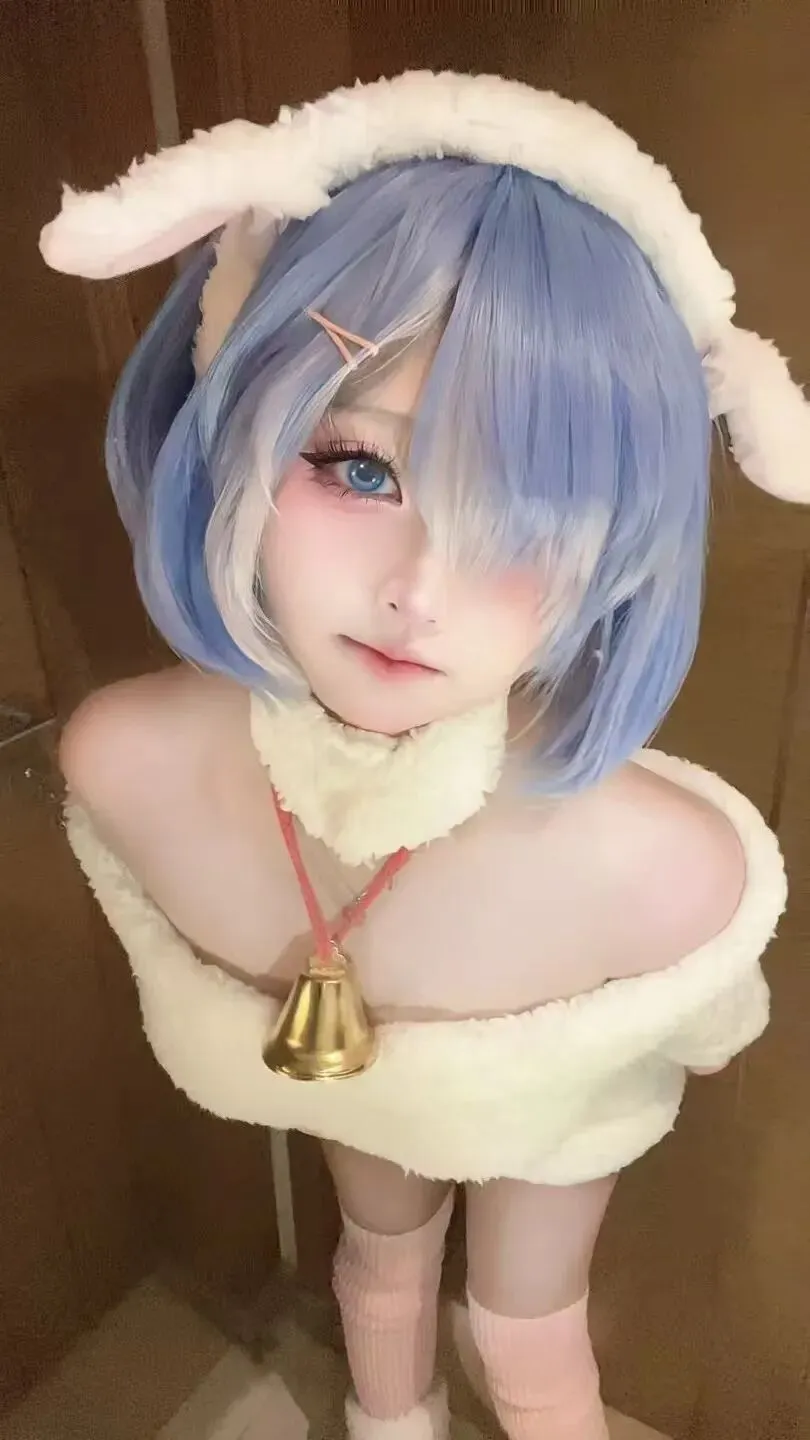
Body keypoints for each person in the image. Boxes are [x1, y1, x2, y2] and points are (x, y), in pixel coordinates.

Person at [40, 72, 806, 1440]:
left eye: (524, 517)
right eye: (359, 466)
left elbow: (696, 1033)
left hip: (557, 1118)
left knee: (523, 1336)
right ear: (230, 422)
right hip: (374, 1102)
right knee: (381, 1270)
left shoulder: (664, 870)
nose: (421, 591)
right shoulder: (127, 760)